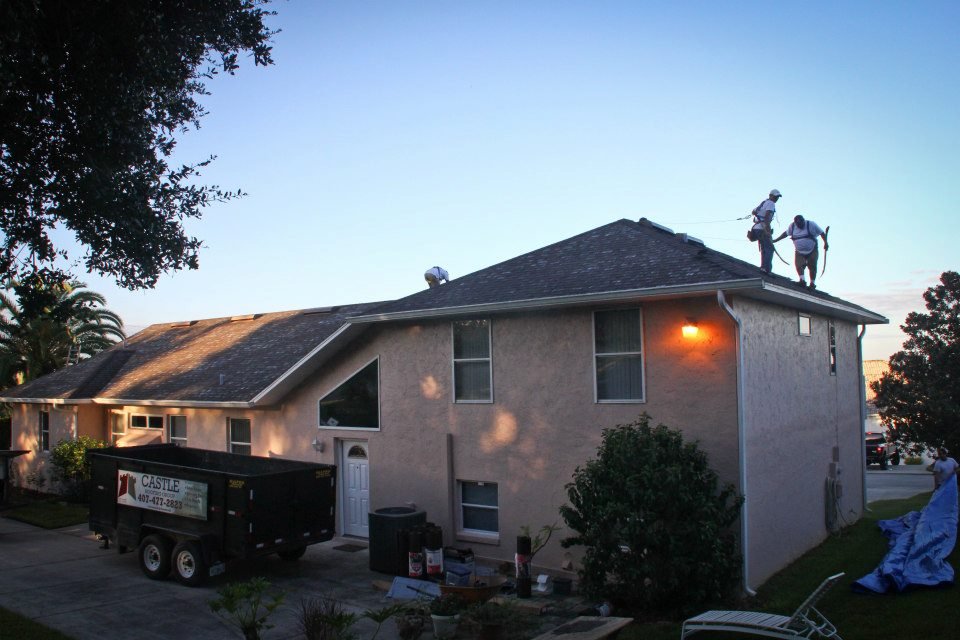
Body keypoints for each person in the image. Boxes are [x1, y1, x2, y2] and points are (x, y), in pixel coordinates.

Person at [773, 214, 829, 289]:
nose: (800, 226)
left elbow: (822, 233)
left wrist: (826, 243)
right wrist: (775, 240)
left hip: (812, 249)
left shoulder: (811, 224)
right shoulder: (792, 226)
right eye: (798, 224)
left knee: (812, 266)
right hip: (799, 251)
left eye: (801, 224)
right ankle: (802, 280)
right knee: (798, 265)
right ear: (795, 223)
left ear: (804, 221)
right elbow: (785, 234)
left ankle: (812, 283)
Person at [751, 189, 781, 273]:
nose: (776, 199)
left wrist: (759, 215)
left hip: (756, 228)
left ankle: (763, 267)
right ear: (770, 196)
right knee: (769, 249)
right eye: (775, 197)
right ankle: (766, 269)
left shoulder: (764, 202)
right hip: (762, 228)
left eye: (777, 197)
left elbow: (753, 211)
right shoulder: (771, 203)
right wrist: (767, 230)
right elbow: (767, 217)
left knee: (764, 248)